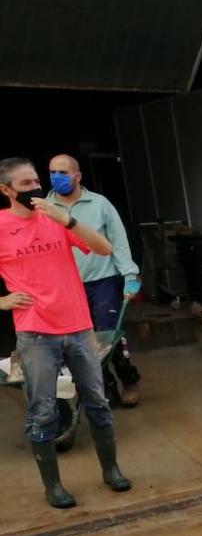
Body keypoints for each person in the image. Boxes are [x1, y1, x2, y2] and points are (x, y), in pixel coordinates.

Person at [0, 157, 132, 508]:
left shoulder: (55, 217)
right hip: (35, 334)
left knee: (98, 403)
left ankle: (111, 471)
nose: (35, 188)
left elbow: (105, 249)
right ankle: (54, 487)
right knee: (42, 411)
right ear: (6, 190)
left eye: (35, 181)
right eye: (25, 184)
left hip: (79, 328)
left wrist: (68, 219)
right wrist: (2, 301)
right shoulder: (0, 226)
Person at [46, 154, 142, 407]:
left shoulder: (99, 204)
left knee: (108, 336)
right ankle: (106, 387)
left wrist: (130, 274)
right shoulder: (44, 209)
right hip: (68, 288)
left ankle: (128, 379)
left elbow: (118, 241)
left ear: (77, 176)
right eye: (52, 171)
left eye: (63, 172)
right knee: (81, 344)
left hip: (103, 282)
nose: (56, 177)